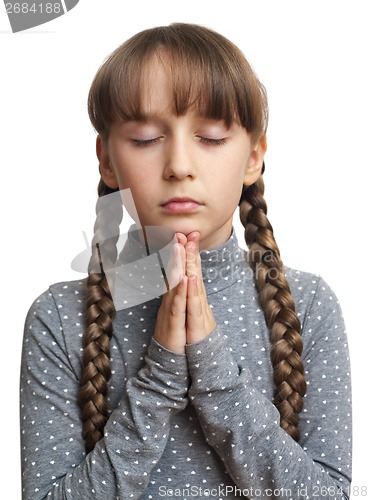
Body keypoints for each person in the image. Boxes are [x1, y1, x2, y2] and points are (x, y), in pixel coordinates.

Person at [20, 23, 352, 499]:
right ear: (107, 160)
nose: (179, 164)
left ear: (254, 157)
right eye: (145, 138)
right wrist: (158, 379)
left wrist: (215, 375)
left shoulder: (310, 305)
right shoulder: (59, 318)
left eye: (212, 137)